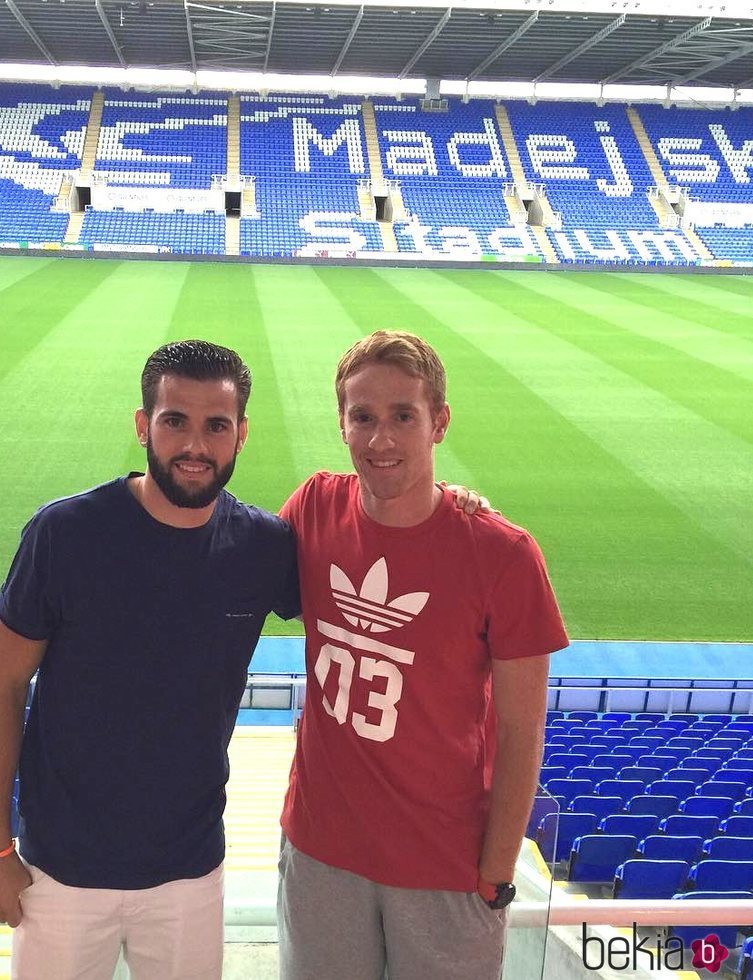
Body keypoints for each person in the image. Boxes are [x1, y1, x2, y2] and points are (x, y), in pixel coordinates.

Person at [0, 340, 301, 980]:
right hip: (57, 872)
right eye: (175, 420)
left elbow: (357, 565)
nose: (194, 445)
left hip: (189, 871)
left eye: (216, 425)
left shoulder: (263, 545)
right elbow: (3, 685)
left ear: (242, 434)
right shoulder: (63, 533)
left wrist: (446, 499)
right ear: (143, 423)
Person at [277, 330, 569, 980]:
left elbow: (524, 732)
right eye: (363, 417)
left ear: (439, 422)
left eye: (403, 416)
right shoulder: (315, 508)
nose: (380, 440)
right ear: (342, 423)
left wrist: (496, 870)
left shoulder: (504, 556)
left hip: (446, 867)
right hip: (322, 854)